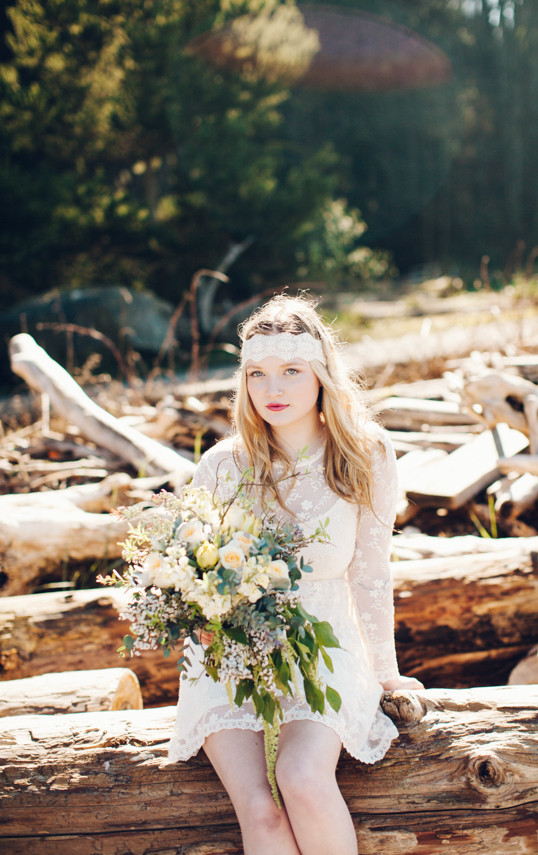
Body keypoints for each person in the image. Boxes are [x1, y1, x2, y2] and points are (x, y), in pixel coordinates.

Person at [168, 293, 423, 855]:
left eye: (290, 371)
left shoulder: (365, 453)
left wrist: (388, 674)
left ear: (322, 374)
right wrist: (199, 618)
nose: (272, 390)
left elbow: (372, 574)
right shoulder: (222, 466)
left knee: (302, 778)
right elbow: (190, 572)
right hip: (232, 656)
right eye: (257, 374)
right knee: (261, 812)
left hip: (326, 649)